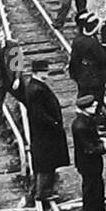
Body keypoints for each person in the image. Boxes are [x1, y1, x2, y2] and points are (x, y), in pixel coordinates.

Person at [16, 60, 70, 202]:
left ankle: (45, 191)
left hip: (44, 132)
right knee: (46, 163)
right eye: (45, 71)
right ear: (38, 73)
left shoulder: (35, 86)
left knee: (47, 162)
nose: (47, 73)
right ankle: (43, 193)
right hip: (45, 132)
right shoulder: (36, 89)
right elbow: (39, 113)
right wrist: (55, 123)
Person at [71, 95, 106, 211]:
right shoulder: (81, 126)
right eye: (93, 106)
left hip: (90, 162)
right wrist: (103, 147)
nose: (95, 108)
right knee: (91, 188)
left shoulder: (85, 120)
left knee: (97, 185)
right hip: (88, 162)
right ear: (85, 108)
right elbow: (89, 148)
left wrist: (100, 141)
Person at [68, 12, 106, 110]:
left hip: (82, 74)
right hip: (95, 75)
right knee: (97, 98)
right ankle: (95, 116)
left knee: (83, 96)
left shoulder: (78, 40)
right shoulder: (93, 43)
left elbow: (74, 59)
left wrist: (74, 74)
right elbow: (102, 59)